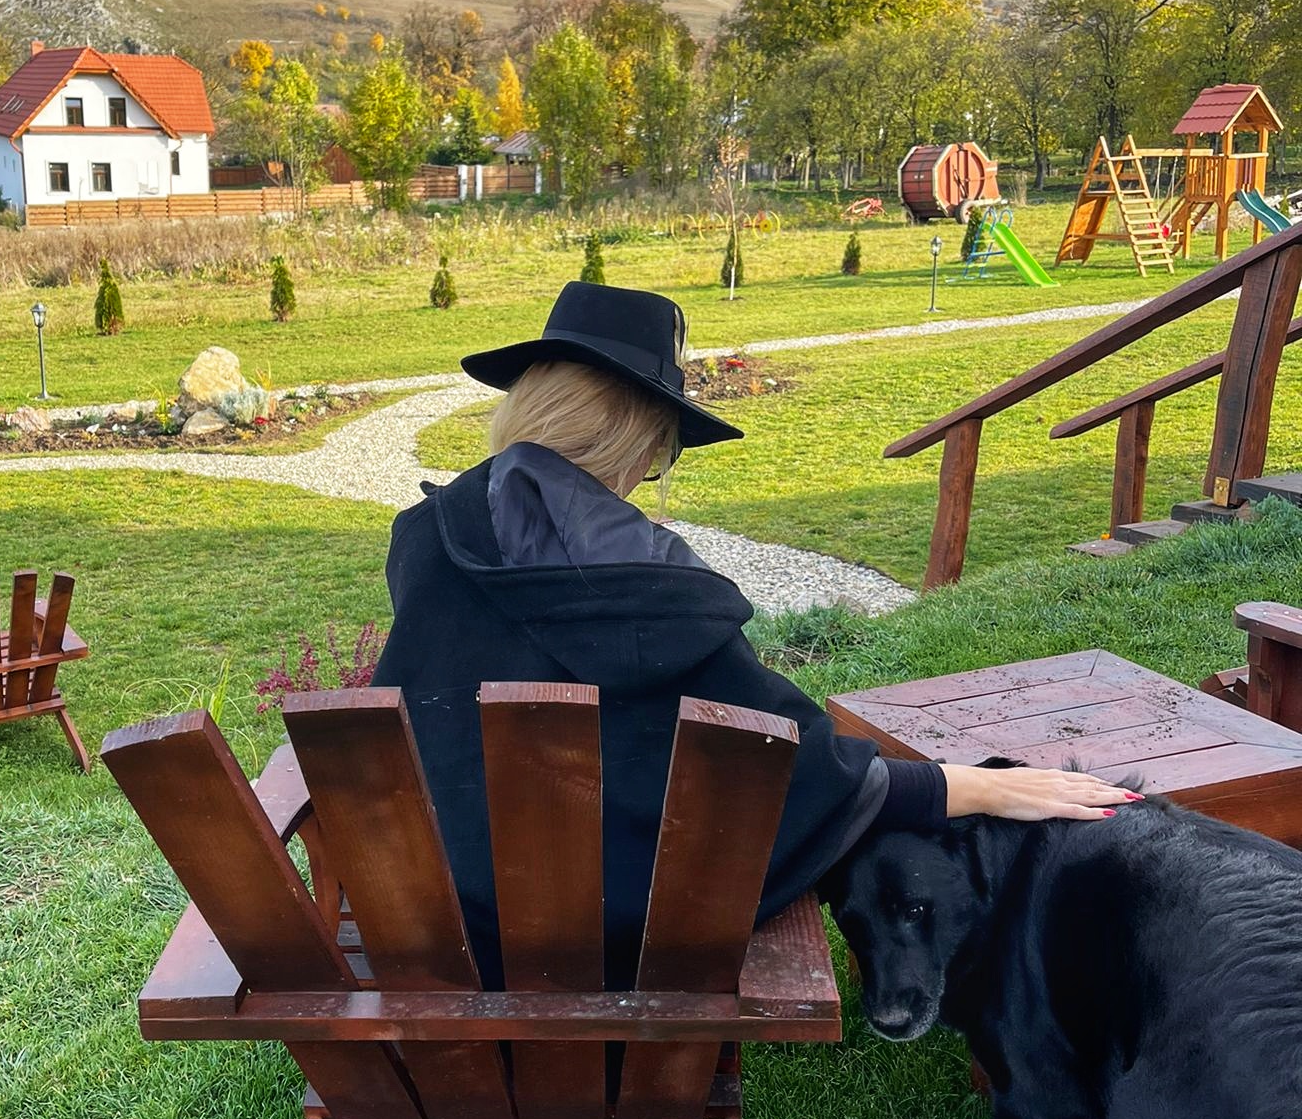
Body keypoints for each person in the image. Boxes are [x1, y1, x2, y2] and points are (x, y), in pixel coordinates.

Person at [372, 282, 1136, 986]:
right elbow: (793, 766)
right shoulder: (656, 588)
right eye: (663, 450)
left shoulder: (427, 538)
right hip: (608, 938)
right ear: (640, 440)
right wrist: (981, 785)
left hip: (435, 912)